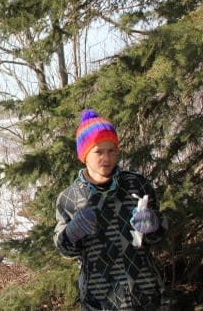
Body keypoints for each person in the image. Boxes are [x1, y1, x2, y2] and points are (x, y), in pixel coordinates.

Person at [54, 109, 169, 310]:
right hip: (101, 301)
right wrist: (71, 233)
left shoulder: (137, 185)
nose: (106, 158)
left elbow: (159, 234)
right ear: (84, 155)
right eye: (98, 151)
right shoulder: (69, 198)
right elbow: (64, 248)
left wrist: (154, 223)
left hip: (146, 295)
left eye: (111, 151)